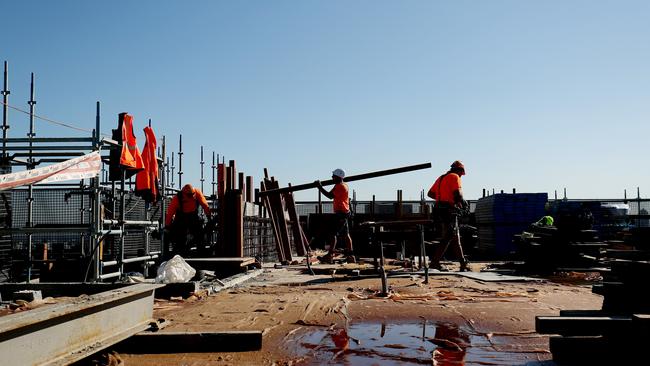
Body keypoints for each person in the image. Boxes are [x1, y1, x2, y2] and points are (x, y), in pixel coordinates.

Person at [427, 160, 469, 271]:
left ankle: (463, 264)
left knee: (455, 237)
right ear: (458, 170)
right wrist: (460, 201)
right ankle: (434, 262)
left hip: (439, 210)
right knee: (448, 237)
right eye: (461, 173)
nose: (461, 176)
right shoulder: (455, 177)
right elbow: (457, 195)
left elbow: (430, 193)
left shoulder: (441, 178)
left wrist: (442, 198)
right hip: (449, 210)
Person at [314, 168, 355, 264]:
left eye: (333, 176)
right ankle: (351, 255)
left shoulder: (340, 187)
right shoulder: (342, 185)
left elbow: (329, 196)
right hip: (344, 213)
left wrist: (319, 187)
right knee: (346, 234)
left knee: (332, 234)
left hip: (341, 214)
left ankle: (329, 256)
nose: (332, 177)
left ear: (338, 177)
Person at [164, 183, 211, 257]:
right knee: (180, 238)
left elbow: (205, 204)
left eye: (192, 194)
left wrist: (208, 216)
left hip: (193, 217)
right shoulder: (177, 198)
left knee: (200, 235)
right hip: (181, 218)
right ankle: (180, 255)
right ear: (184, 193)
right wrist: (167, 226)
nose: (191, 196)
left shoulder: (197, 193)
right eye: (189, 195)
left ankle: (201, 255)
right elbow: (170, 213)